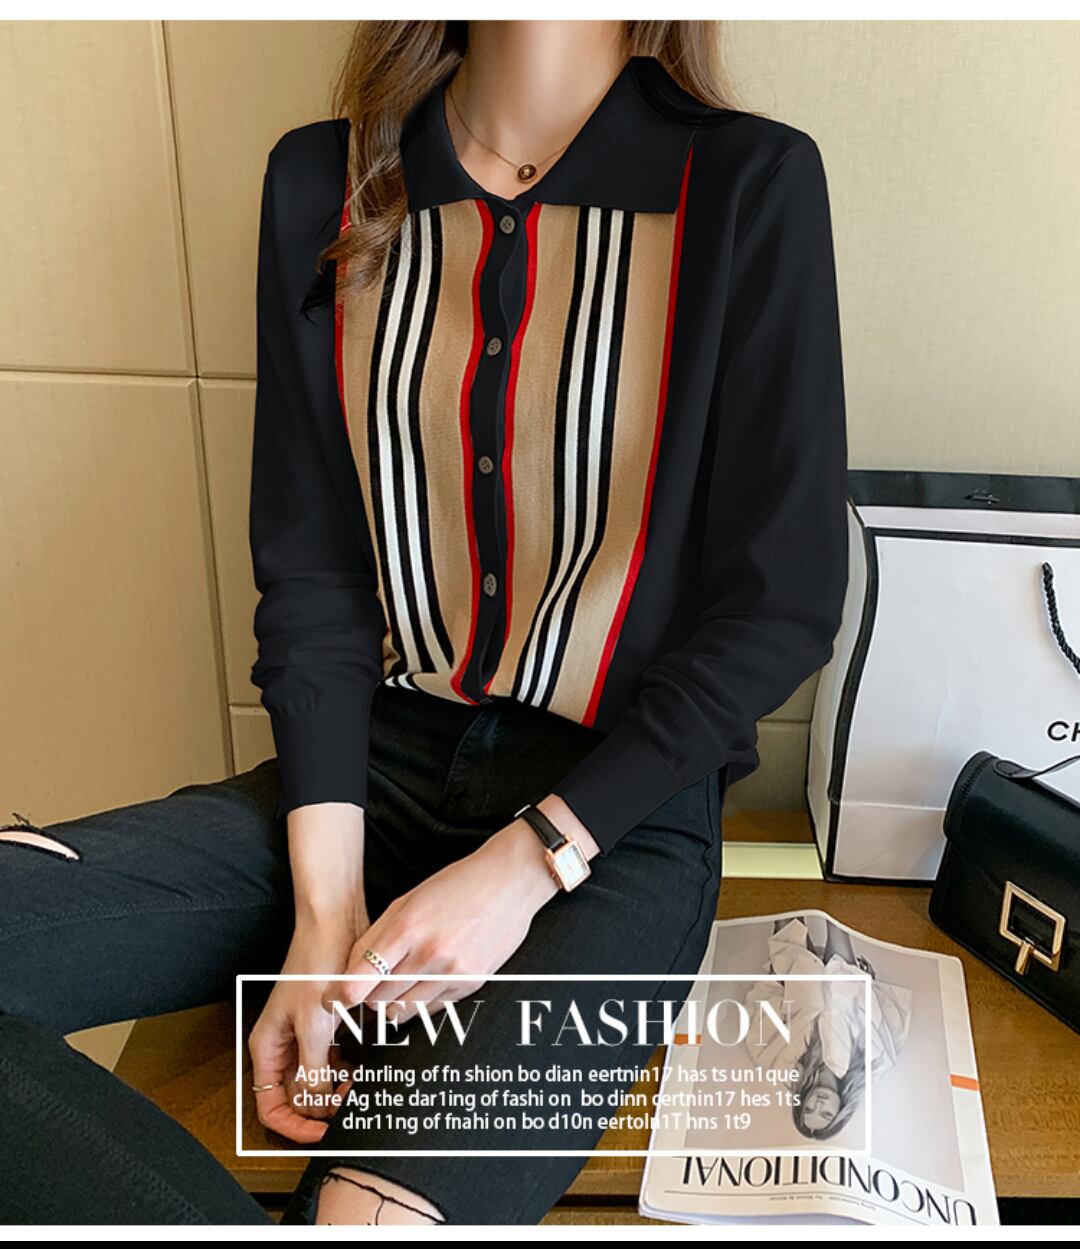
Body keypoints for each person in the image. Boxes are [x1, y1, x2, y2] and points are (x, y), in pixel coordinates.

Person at [0, 17, 849, 1226]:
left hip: (614, 822)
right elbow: (313, 575)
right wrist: (322, 908)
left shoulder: (746, 185)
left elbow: (782, 603)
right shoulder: (325, 182)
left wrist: (525, 865)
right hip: (358, 777)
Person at [741, 916, 914, 1140]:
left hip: (799, 979)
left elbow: (761, 1023)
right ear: (841, 1110)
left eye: (809, 1109)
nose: (819, 1103)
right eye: (826, 1113)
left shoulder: (783, 1068)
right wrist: (868, 986)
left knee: (787, 922)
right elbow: (881, 1024)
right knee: (838, 922)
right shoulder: (866, 1070)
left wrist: (775, 979)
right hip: (843, 985)